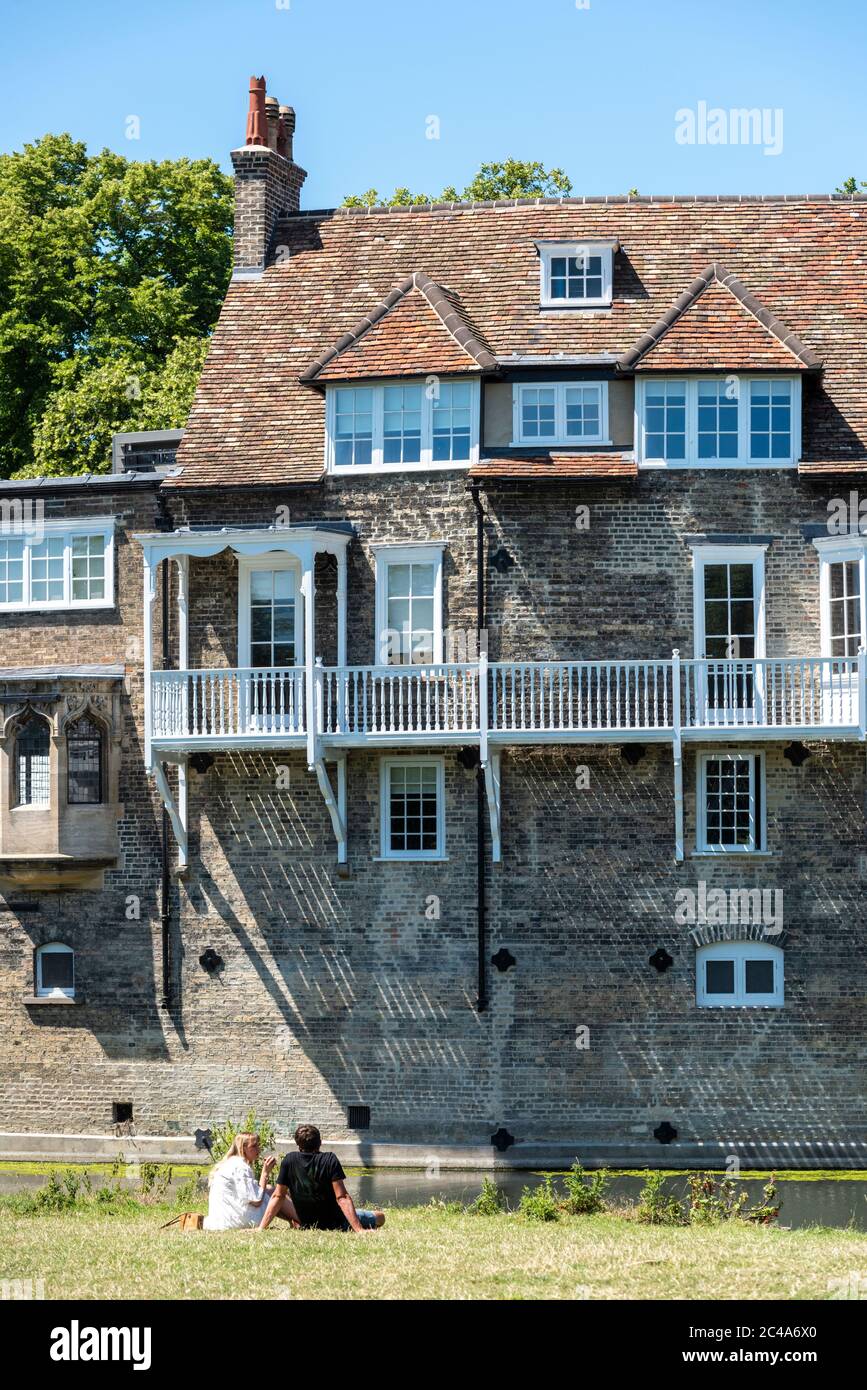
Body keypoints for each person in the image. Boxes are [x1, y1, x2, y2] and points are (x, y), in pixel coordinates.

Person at [258, 1124, 385, 1233]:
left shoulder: (289, 1160)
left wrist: (261, 1228)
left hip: (307, 1224)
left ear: (298, 1144)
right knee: (380, 1217)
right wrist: (359, 1230)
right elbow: (342, 1198)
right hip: (336, 1223)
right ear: (320, 1142)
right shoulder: (329, 1159)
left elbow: (278, 1196)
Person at [203, 1132, 299, 1230]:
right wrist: (265, 1172)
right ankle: (302, 1219)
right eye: (254, 1146)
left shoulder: (231, 1163)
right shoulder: (241, 1167)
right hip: (237, 1221)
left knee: (269, 1189)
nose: (258, 1149)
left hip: (222, 1220)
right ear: (243, 1148)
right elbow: (256, 1201)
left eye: (258, 1145)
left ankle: (294, 1221)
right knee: (275, 1193)